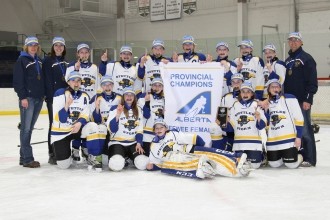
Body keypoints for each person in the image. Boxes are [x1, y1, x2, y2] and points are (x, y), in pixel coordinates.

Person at [146, 119, 252, 179]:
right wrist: (152, 167)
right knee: (214, 166)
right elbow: (157, 163)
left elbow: (193, 137)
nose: (159, 130)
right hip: (180, 160)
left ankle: (236, 160)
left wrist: (204, 148)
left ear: (166, 128)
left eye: (161, 127)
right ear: (154, 130)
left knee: (214, 156)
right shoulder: (153, 146)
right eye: (157, 128)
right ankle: (234, 172)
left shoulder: (172, 134)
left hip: (192, 150)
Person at [51, 71, 106, 171]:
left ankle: (94, 157)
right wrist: (66, 105)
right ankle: (69, 153)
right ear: (68, 82)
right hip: (61, 132)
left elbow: (85, 114)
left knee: (92, 126)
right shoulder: (59, 94)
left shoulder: (84, 96)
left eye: (78, 81)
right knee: (64, 165)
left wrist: (80, 123)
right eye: (73, 81)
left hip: (77, 128)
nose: (76, 83)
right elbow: (61, 119)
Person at [284, 32, 318, 167]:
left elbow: (312, 82)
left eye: (296, 40)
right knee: (294, 130)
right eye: (291, 40)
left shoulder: (307, 59)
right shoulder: (287, 61)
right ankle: (300, 155)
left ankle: (310, 158)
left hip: (301, 101)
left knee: (305, 130)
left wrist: (308, 100)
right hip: (289, 102)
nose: (293, 42)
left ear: (301, 42)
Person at [13, 36, 44, 168]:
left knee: (29, 129)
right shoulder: (21, 60)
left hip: (38, 98)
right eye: (30, 45)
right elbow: (18, 81)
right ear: (26, 47)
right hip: (28, 99)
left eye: (35, 45)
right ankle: (27, 159)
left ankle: (22, 157)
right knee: (26, 129)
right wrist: (23, 97)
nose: (33, 47)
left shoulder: (39, 61)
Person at [65, 43, 100, 160]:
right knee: (76, 123)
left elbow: (98, 85)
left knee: (87, 124)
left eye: (86, 52)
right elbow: (67, 81)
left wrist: (96, 99)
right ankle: (75, 148)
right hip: (76, 100)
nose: (84, 55)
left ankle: (85, 148)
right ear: (77, 54)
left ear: (89, 54)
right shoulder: (71, 66)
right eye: (81, 52)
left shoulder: (94, 67)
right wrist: (76, 69)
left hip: (90, 102)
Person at [106, 86, 148, 171]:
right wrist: (118, 114)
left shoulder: (138, 109)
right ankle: (123, 157)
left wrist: (139, 143)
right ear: (123, 97)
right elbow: (112, 129)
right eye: (127, 95)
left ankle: (128, 157)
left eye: (131, 95)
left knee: (143, 164)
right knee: (116, 165)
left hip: (133, 143)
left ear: (134, 97)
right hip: (117, 142)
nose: (129, 97)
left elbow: (139, 130)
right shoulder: (115, 108)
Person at [264, 79, 304, 168]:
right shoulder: (267, 103)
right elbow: (267, 123)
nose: (275, 89)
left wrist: (298, 137)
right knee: (274, 164)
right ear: (268, 89)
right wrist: (266, 111)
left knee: (291, 165)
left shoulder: (290, 98)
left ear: (280, 88)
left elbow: (299, 119)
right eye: (272, 87)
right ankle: (284, 156)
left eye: (277, 86)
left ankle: (300, 156)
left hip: (289, 139)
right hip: (273, 140)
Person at [226, 81, 267, 168]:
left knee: (254, 166)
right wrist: (225, 122)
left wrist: (259, 118)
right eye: (243, 91)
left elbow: (262, 126)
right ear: (240, 93)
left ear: (252, 94)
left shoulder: (256, 105)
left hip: (254, 143)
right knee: (238, 166)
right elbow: (230, 128)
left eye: (248, 91)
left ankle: (262, 154)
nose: (245, 94)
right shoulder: (235, 105)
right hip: (239, 143)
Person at [42, 36, 68, 165]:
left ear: (64, 48)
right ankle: (52, 153)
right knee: (53, 124)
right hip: (53, 99)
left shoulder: (64, 62)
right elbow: (47, 81)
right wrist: (51, 98)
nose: (59, 47)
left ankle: (61, 151)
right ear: (53, 47)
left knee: (62, 124)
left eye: (61, 45)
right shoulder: (47, 60)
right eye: (56, 45)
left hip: (64, 98)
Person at [89, 75, 122, 166]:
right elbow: (94, 119)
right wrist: (97, 109)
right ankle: (96, 154)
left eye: (109, 84)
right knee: (101, 128)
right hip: (102, 129)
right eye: (105, 85)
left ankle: (121, 153)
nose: (107, 87)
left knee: (107, 160)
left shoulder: (119, 98)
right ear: (101, 86)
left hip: (114, 128)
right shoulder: (96, 98)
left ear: (113, 85)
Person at [138, 77, 165, 155]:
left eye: (159, 85)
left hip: (160, 135)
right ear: (151, 86)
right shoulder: (144, 97)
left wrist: (163, 114)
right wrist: (147, 102)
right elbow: (146, 115)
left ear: (162, 87)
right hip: (147, 136)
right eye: (155, 85)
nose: (157, 87)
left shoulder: (165, 99)